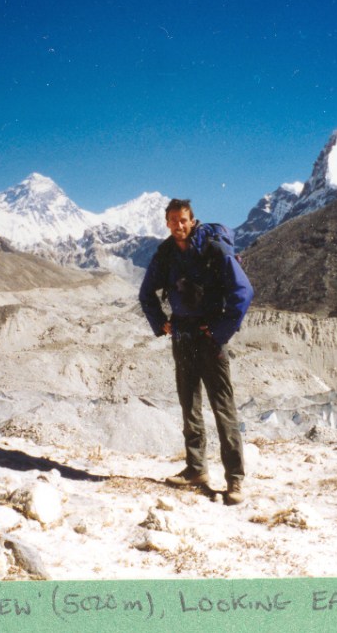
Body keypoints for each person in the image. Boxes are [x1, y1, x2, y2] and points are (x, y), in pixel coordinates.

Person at [138, 199, 254, 505]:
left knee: (223, 408)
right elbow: (146, 293)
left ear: (192, 221)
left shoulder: (214, 249)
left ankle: (235, 480)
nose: (178, 225)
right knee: (189, 405)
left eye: (183, 220)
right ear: (166, 222)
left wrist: (220, 331)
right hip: (182, 335)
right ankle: (196, 469)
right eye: (173, 220)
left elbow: (243, 292)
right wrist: (160, 322)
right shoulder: (166, 253)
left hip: (210, 337)